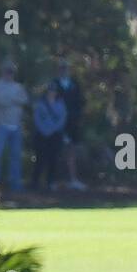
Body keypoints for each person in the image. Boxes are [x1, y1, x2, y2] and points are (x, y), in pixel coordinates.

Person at [0, 60, 29, 191]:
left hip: (15, 126)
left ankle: (16, 185)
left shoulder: (18, 86)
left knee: (15, 157)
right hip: (0, 125)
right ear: (3, 72)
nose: (9, 74)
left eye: (11, 72)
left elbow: (25, 100)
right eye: (7, 71)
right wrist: (13, 100)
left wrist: (11, 100)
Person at [55, 58, 86, 191]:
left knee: (71, 151)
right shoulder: (54, 84)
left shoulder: (74, 84)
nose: (64, 70)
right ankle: (55, 180)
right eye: (62, 68)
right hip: (56, 123)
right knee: (57, 151)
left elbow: (80, 103)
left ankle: (73, 179)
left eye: (66, 68)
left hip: (72, 123)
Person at [31, 82, 67, 191]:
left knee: (53, 159)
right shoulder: (40, 104)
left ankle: (50, 182)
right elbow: (37, 119)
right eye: (50, 91)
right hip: (42, 136)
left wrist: (52, 130)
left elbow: (62, 119)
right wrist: (45, 131)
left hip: (55, 136)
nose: (52, 93)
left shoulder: (60, 104)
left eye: (54, 91)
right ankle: (35, 183)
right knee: (40, 159)